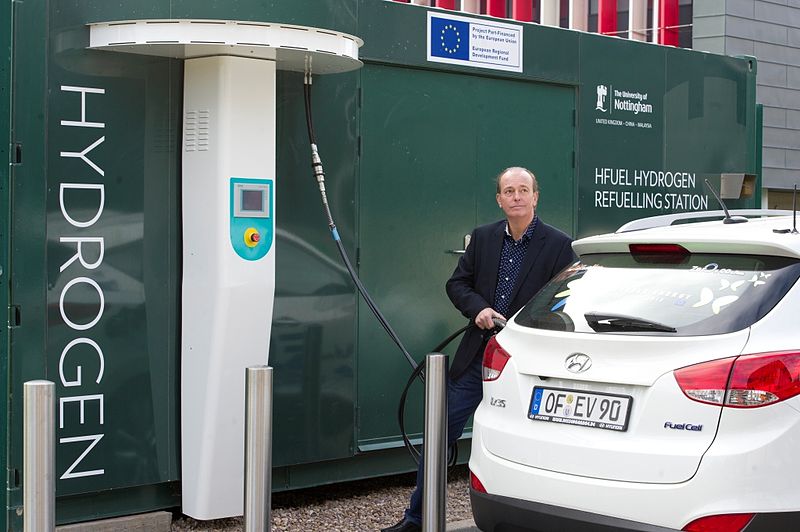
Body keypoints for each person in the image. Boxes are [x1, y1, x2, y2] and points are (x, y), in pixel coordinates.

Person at [381, 167, 576, 532]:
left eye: (523, 190)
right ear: (499, 199)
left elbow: (564, 300)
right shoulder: (484, 239)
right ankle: (416, 519)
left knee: (532, 444)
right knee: (439, 436)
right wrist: (478, 309)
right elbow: (457, 284)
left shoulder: (559, 245)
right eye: (508, 191)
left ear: (536, 197)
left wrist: (529, 322)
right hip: (477, 358)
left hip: (524, 363)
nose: (516, 197)